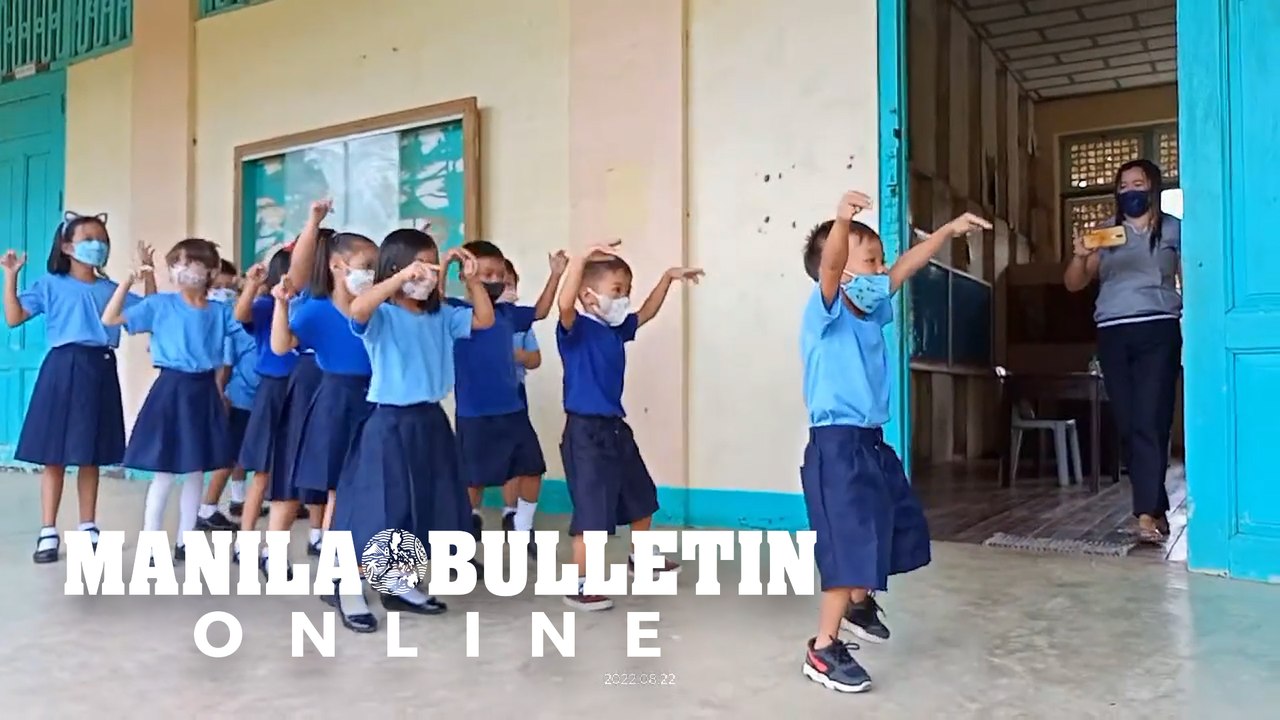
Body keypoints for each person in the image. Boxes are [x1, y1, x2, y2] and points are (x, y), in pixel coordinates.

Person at [798, 190, 988, 693]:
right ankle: (823, 649)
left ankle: (859, 603)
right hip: (836, 445)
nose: (881, 270)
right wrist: (841, 221)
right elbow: (832, 263)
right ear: (842, 271)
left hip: (870, 442)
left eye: (880, 260)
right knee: (847, 544)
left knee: (888, 523)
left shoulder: (871, 310)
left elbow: (905, 266)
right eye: (870, 261)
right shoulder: (826, 310)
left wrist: (945, 232)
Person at [329, 229, 492, 633]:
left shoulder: (442, 315)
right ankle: (349, 588)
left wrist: (472, 280)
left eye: (433, 266)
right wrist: (400, 280)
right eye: (420, 266)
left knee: (419, 506)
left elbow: (484, 319)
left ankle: (397, 584)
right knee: (376, 509)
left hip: (430, 420)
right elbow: (357, 309)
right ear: (395, 269)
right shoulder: (382, 315)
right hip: (389, 422)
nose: (428, 274)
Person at [556, 242, 703, 611]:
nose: (623, 298)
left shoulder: (614, 330)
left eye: (627, 290)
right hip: (585, 433)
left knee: (642, 497)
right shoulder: (576, 330)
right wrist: (579, 261)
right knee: (592, 514)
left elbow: (646, 312)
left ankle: (642, 558)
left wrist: (668, 278)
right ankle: (580, 584)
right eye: (617, 290)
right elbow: (564, 304)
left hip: (614, 429)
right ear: (588, 296)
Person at [2, 212, 155, 563]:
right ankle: (48, 531)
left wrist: (147, 275)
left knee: (91, 455)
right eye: (88, 239)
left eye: (102, 239)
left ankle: (88, 527)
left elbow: (149, 314)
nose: (97, 245)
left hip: (99, 367)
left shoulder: (111, 289)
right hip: (62, 366)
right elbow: (14, 317)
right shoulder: (50, 284)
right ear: (68, 247)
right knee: (53, 454)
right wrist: (10, 277)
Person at [1063, 159, 1182, 543]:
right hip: (1113, 333)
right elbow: (1074, 284)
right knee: (1130, 423)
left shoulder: (1174, 230)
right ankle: (1156, 507)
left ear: (1153, 187)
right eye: (1123, 186)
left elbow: (1193, 276)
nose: (1130, 191)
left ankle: (1145, 515)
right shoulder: (1106, 233)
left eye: (1138, 183)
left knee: (1151, 419)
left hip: (1158, 329)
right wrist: (1080, 254)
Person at [102, 238, 239, 563]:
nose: (182, 270)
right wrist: (128, 281)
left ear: (211, 271)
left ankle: (186, 540)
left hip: (204, 389)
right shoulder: (160, 304)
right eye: (176, 264)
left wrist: (249, 287)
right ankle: (151, 541)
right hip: (172, 389)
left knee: (196, 470)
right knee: (164, 472)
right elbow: (110, 318)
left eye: (190, 263)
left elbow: (243, 327)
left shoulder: (220, 311)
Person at [449, 241, 565, 570]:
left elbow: (540, 311)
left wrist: (556, 275)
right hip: (475, 414)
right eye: (486, 274)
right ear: (467, 276)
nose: (495, 280)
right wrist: (447, 264)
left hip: (512, 410)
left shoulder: (508, 315)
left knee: (532, 468)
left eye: (499, 274)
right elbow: (434, 299)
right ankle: (459, 548)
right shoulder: (456, 314)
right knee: (473, 482)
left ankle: (520, 527)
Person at [272, 204, 378, 555]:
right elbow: (282, 344)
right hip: (337, 400)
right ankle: (336, 562)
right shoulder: (316, 309)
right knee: (338, 487)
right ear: (337, 266)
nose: (371, 274)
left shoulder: (376, 308)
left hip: (375, 400)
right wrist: (281, 306)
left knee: (370, 486)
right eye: (366, 266)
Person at [233, 248, 300, 574]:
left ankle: (276, 547)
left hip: (301, 390)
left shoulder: (308, 307)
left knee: (291, 472)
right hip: (272, 390)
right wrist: (252, 285)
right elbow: (241, 315)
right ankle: (244, 540)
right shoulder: (267, 305)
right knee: (262, 471)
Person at [197, 259, 255, 531]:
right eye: (218, 287)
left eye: (230, 287)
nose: (225, 293)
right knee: (229, 455)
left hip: (251, 397)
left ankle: (238, 498)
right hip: (237, 397)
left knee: (241, 452)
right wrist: (221, 397)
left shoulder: (237, 317)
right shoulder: (225, 324)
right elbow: (225, 366)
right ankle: (207, 508)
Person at [500, 258, 545, 545]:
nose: (506, 288)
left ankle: (517, 518)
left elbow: (535, 358)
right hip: (482, 402)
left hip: (516, 394)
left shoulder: (521, 323)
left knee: (522, 459)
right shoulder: (470, 318)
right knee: (481, 468)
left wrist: (518, 355)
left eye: (510, 283)